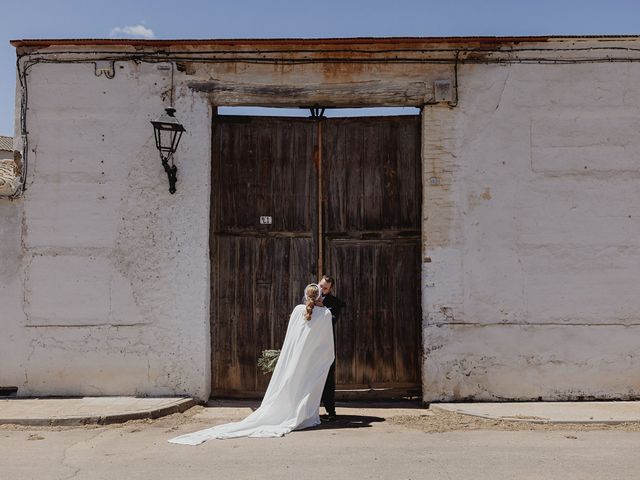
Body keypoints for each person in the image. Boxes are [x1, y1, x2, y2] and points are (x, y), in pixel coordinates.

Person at [168, 283, 334, 445]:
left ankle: (289, 411)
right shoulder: (325, 314)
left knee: (292, 385)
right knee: (306, 387)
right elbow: (326, 343)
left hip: (295, 358)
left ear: (306, 295)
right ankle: (304, 415)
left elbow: (291, 337)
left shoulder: (299, 310)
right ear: (320, 296)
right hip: (311, 360)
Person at [316, 275, 346, 421]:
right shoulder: (308, 298)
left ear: (330, 288)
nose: (322, 289)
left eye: (325, 288)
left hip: (326, 345)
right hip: (311, 346)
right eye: (321, 286)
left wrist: (323, 309)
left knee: (328, 377)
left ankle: (330, 411)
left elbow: (333, 320)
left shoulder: (335, 302)